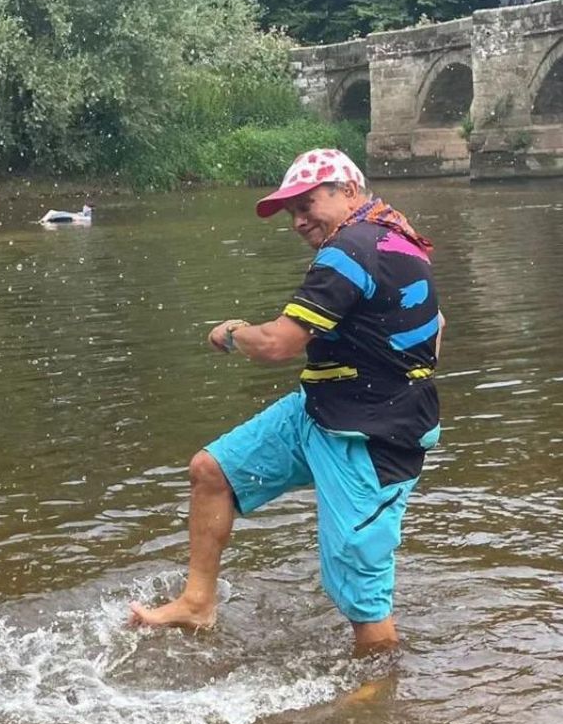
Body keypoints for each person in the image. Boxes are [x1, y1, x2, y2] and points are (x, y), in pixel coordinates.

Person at [127, 149, 444, 657]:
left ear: (347, 190)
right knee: (212, 472)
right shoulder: (398, 239)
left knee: (362, 587)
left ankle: (376, 696)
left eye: (306, 204)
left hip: (370, 440)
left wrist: (231, 333)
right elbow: (437, 328)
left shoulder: (352, 249)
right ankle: (197, 602)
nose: (298, 221)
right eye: (291, 212)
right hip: (319, 410)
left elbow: (278, 343)